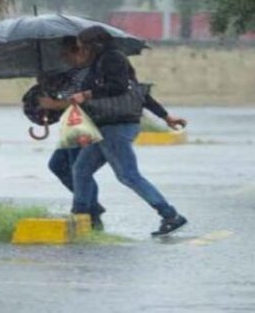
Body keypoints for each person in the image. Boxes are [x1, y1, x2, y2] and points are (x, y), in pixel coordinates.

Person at [31, 36, 186, 230]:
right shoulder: (99, 67)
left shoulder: (111, 62)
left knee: (128, 175)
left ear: (91, 46)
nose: (81, 51)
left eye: (82, 46)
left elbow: (122, 90)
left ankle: (170, 215)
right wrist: (166, 117)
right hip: (103, 127)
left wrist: (71, 99)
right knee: (81, 170)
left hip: (115, 127)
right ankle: (81, 214)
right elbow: (138, 93)